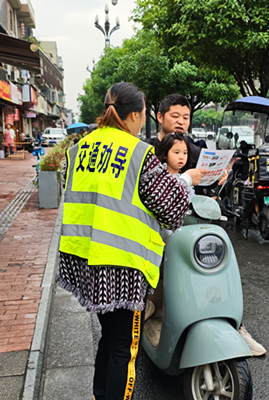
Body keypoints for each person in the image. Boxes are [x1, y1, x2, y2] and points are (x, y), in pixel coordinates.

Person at [57, 82, 207, 400]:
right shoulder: (138, 152)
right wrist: (186, 181)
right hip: (122, 264)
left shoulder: (79, 148)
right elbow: (169, 209)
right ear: (137, 115)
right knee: (123, 347)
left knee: (110, 336)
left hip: (85, 256)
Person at [153, 130, 267, 357]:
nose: (181, 157)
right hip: (165, 243)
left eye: (184, 153)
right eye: (176, 152)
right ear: (164, 154)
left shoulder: (189, 177)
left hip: (191, 240)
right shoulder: (160, 179)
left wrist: (215, 186)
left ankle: (236, 326)